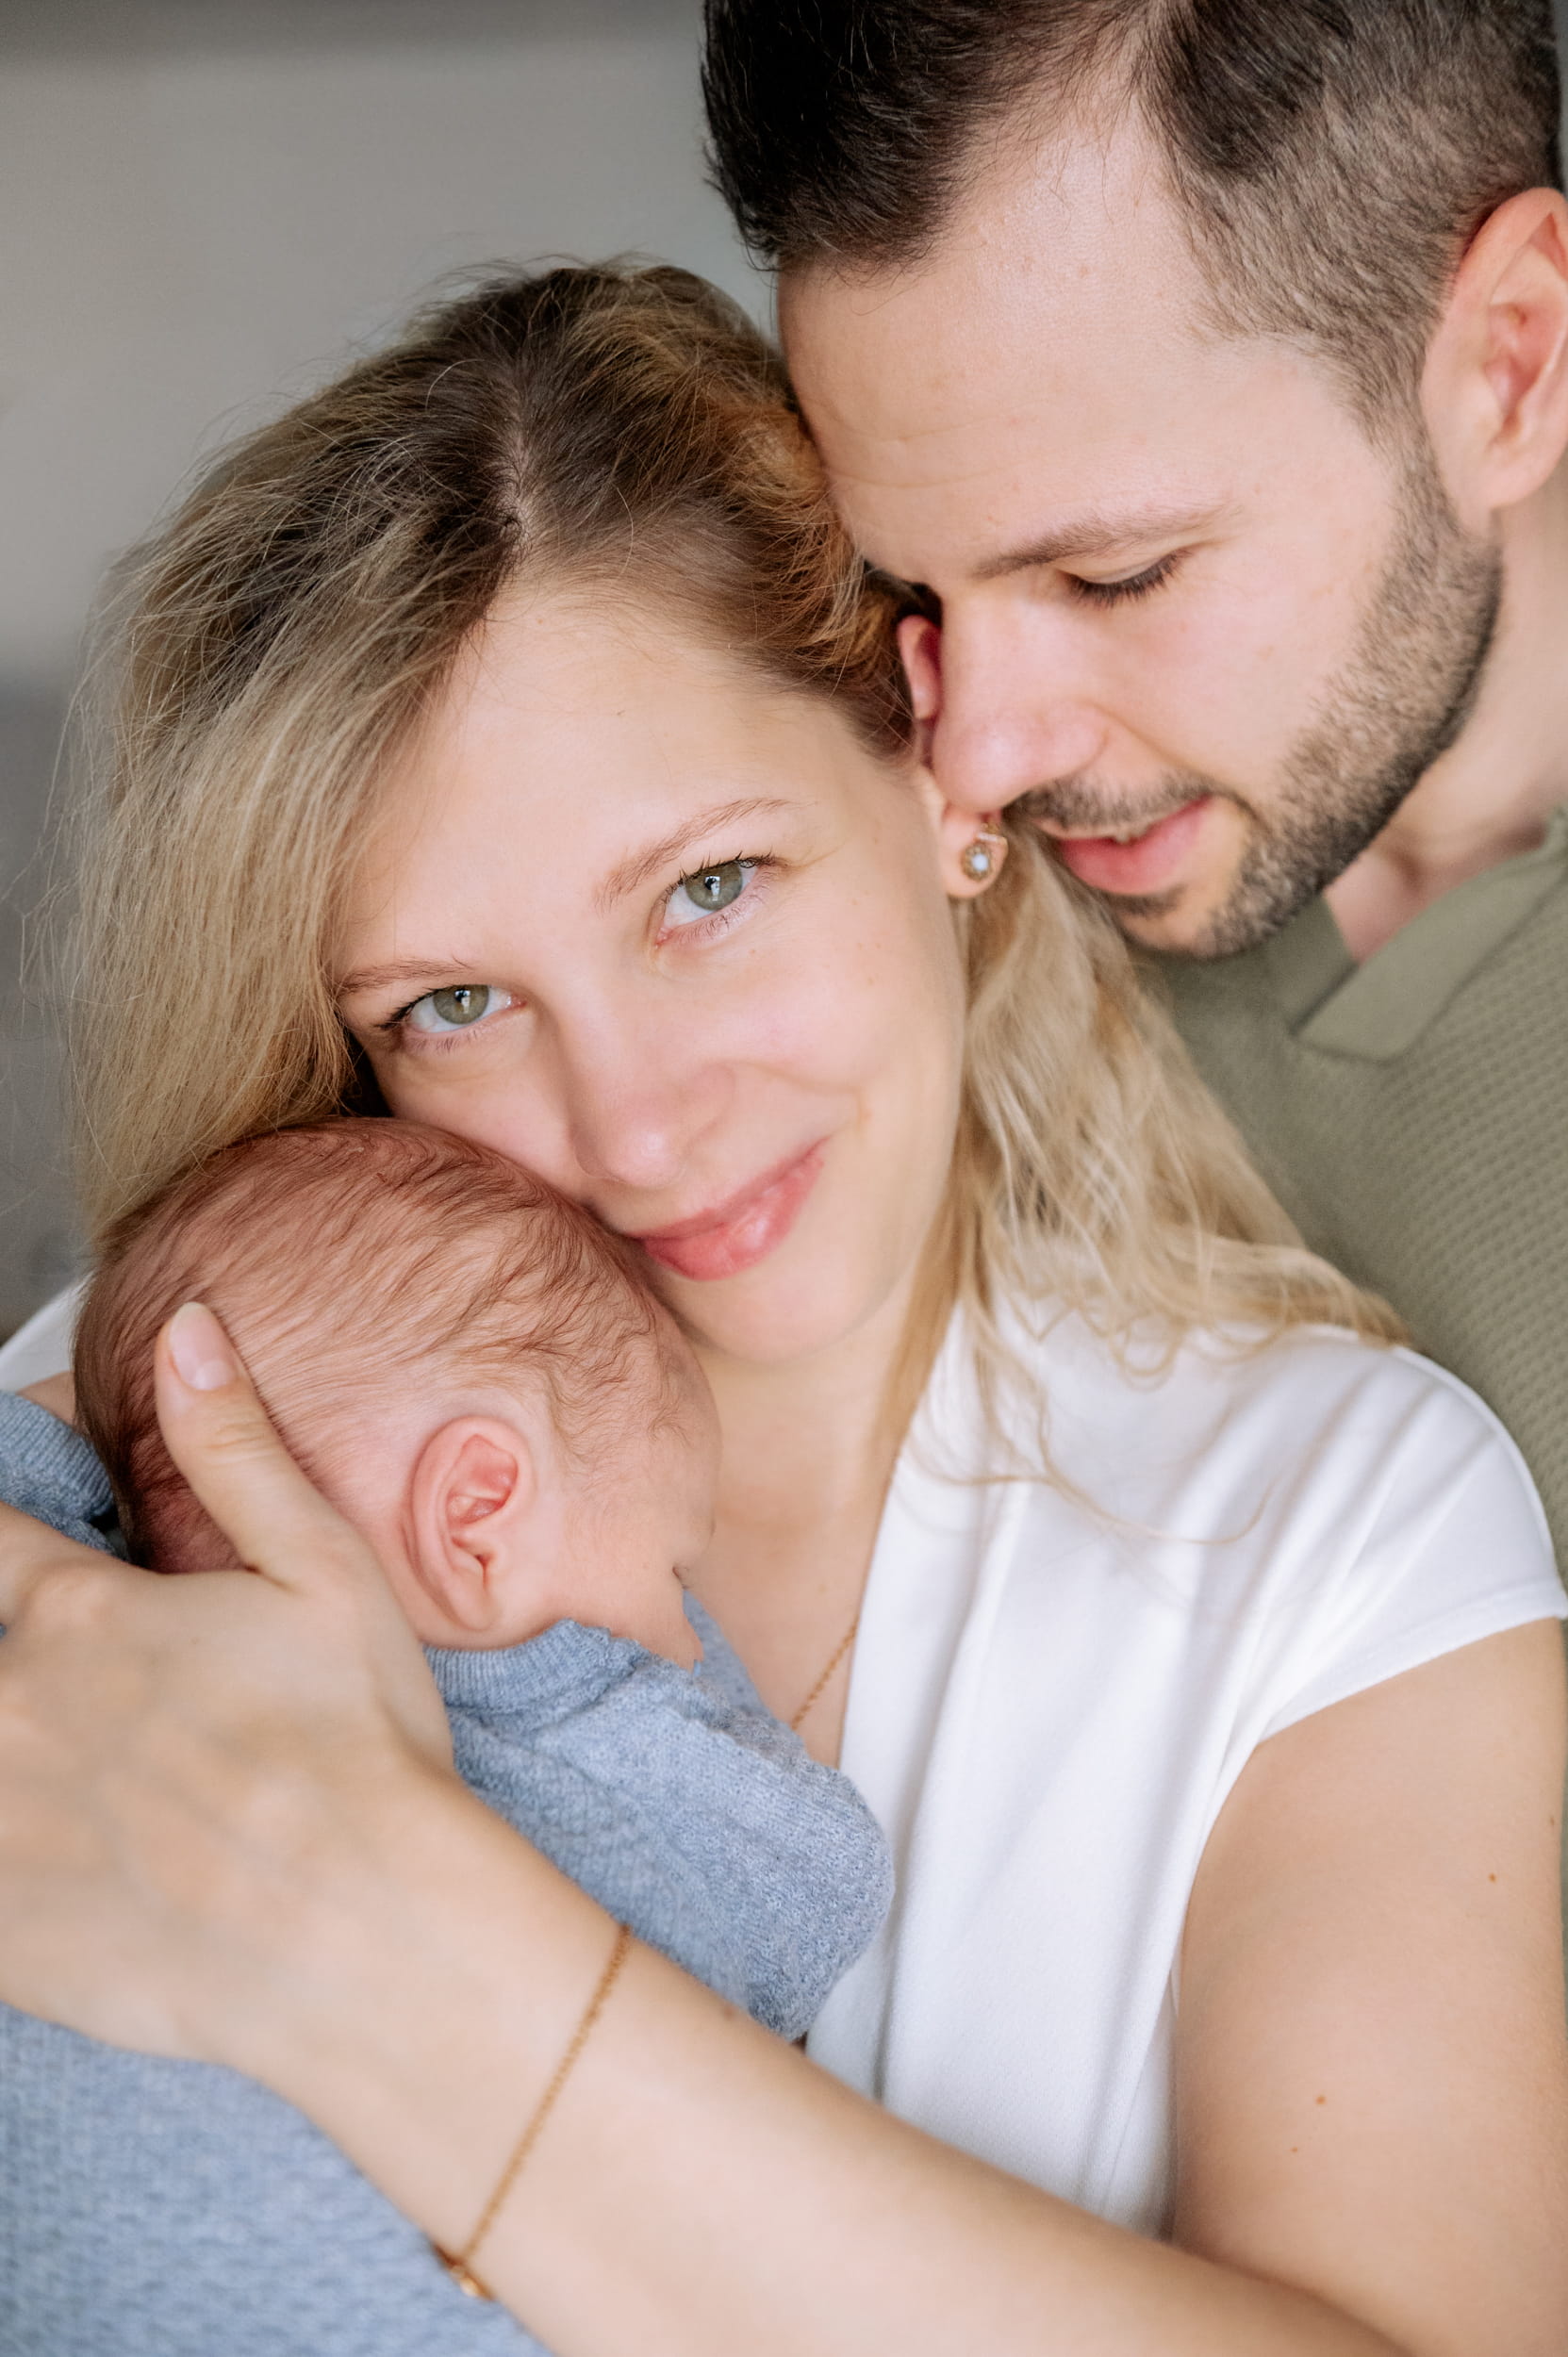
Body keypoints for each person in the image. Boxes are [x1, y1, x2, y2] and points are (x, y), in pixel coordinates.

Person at [0, 262, 1563, 2357]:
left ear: (934, 779)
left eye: (706, 889)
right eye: (457, 1005)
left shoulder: (1332, 1524)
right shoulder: (165, 1403)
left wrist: (381, 1930)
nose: (638, 1127)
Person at [701, 0, 1568, 1563]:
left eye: (1114, 577)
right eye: (909, 587)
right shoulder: (843, 854)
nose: (974, 754)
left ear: (1508, 366)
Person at [0, 1116, 890, 2357]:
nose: (685, 1628)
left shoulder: (86, 1655)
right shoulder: (599, 1739)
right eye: (670, 1569)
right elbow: (819, 1883)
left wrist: (110, 1426)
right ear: (478, 1517)